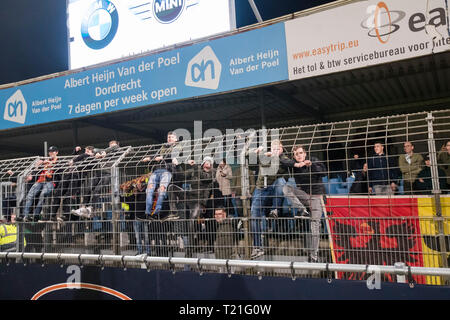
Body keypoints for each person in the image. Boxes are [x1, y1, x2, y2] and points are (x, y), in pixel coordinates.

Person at [282, 145, 327, 263]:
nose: (299, 155)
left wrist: (311, 165)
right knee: (286, 188)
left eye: (301, 153)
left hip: (317, 197)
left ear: (305, 153)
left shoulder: (314, 160)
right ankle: (302, 210)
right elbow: (283, 161)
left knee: (315, 225)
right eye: (296, 154)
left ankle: (314, 256)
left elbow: (324, 172)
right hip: (304, 196)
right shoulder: (295, 165)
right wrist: (296, 164)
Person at [249, 139, 289, 259]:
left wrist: (276, 157)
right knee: (254, 214)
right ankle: (257, 247)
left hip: (275, 188)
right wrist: (256, 152)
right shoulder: (264, 156)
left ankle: (275, 210)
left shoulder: (284, 159)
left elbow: (288, 164)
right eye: (273, 148)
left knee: (281, 181)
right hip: (261, 188)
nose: (276, 150)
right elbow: (250, 162)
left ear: (281, 150)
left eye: (278, 148)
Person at [19, 146, 61, 222]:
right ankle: (25, 215)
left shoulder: (59, 161)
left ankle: (36, 215)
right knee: (30, 195)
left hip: (51, 182)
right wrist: (37, 167)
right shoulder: (45, 161)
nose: (51, 153)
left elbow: (60, 170)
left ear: (57, 152)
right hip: (40, 181)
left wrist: (51, 163)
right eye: (50, 151)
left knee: (43, 195)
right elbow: (36, 170)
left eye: (53, 151)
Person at [142, 132, 178, 219]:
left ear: (176, 139)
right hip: (156, 171)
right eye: (168, 137)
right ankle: (147, 212)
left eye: (172, 137)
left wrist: (162, 157)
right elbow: (156, 154)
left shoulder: (178, 147)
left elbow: (174, 155)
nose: (169, 138)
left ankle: (156, 212)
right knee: (149, 190)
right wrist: (149, 158)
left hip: (167, 171)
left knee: (161, 190)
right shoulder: (163, 147)